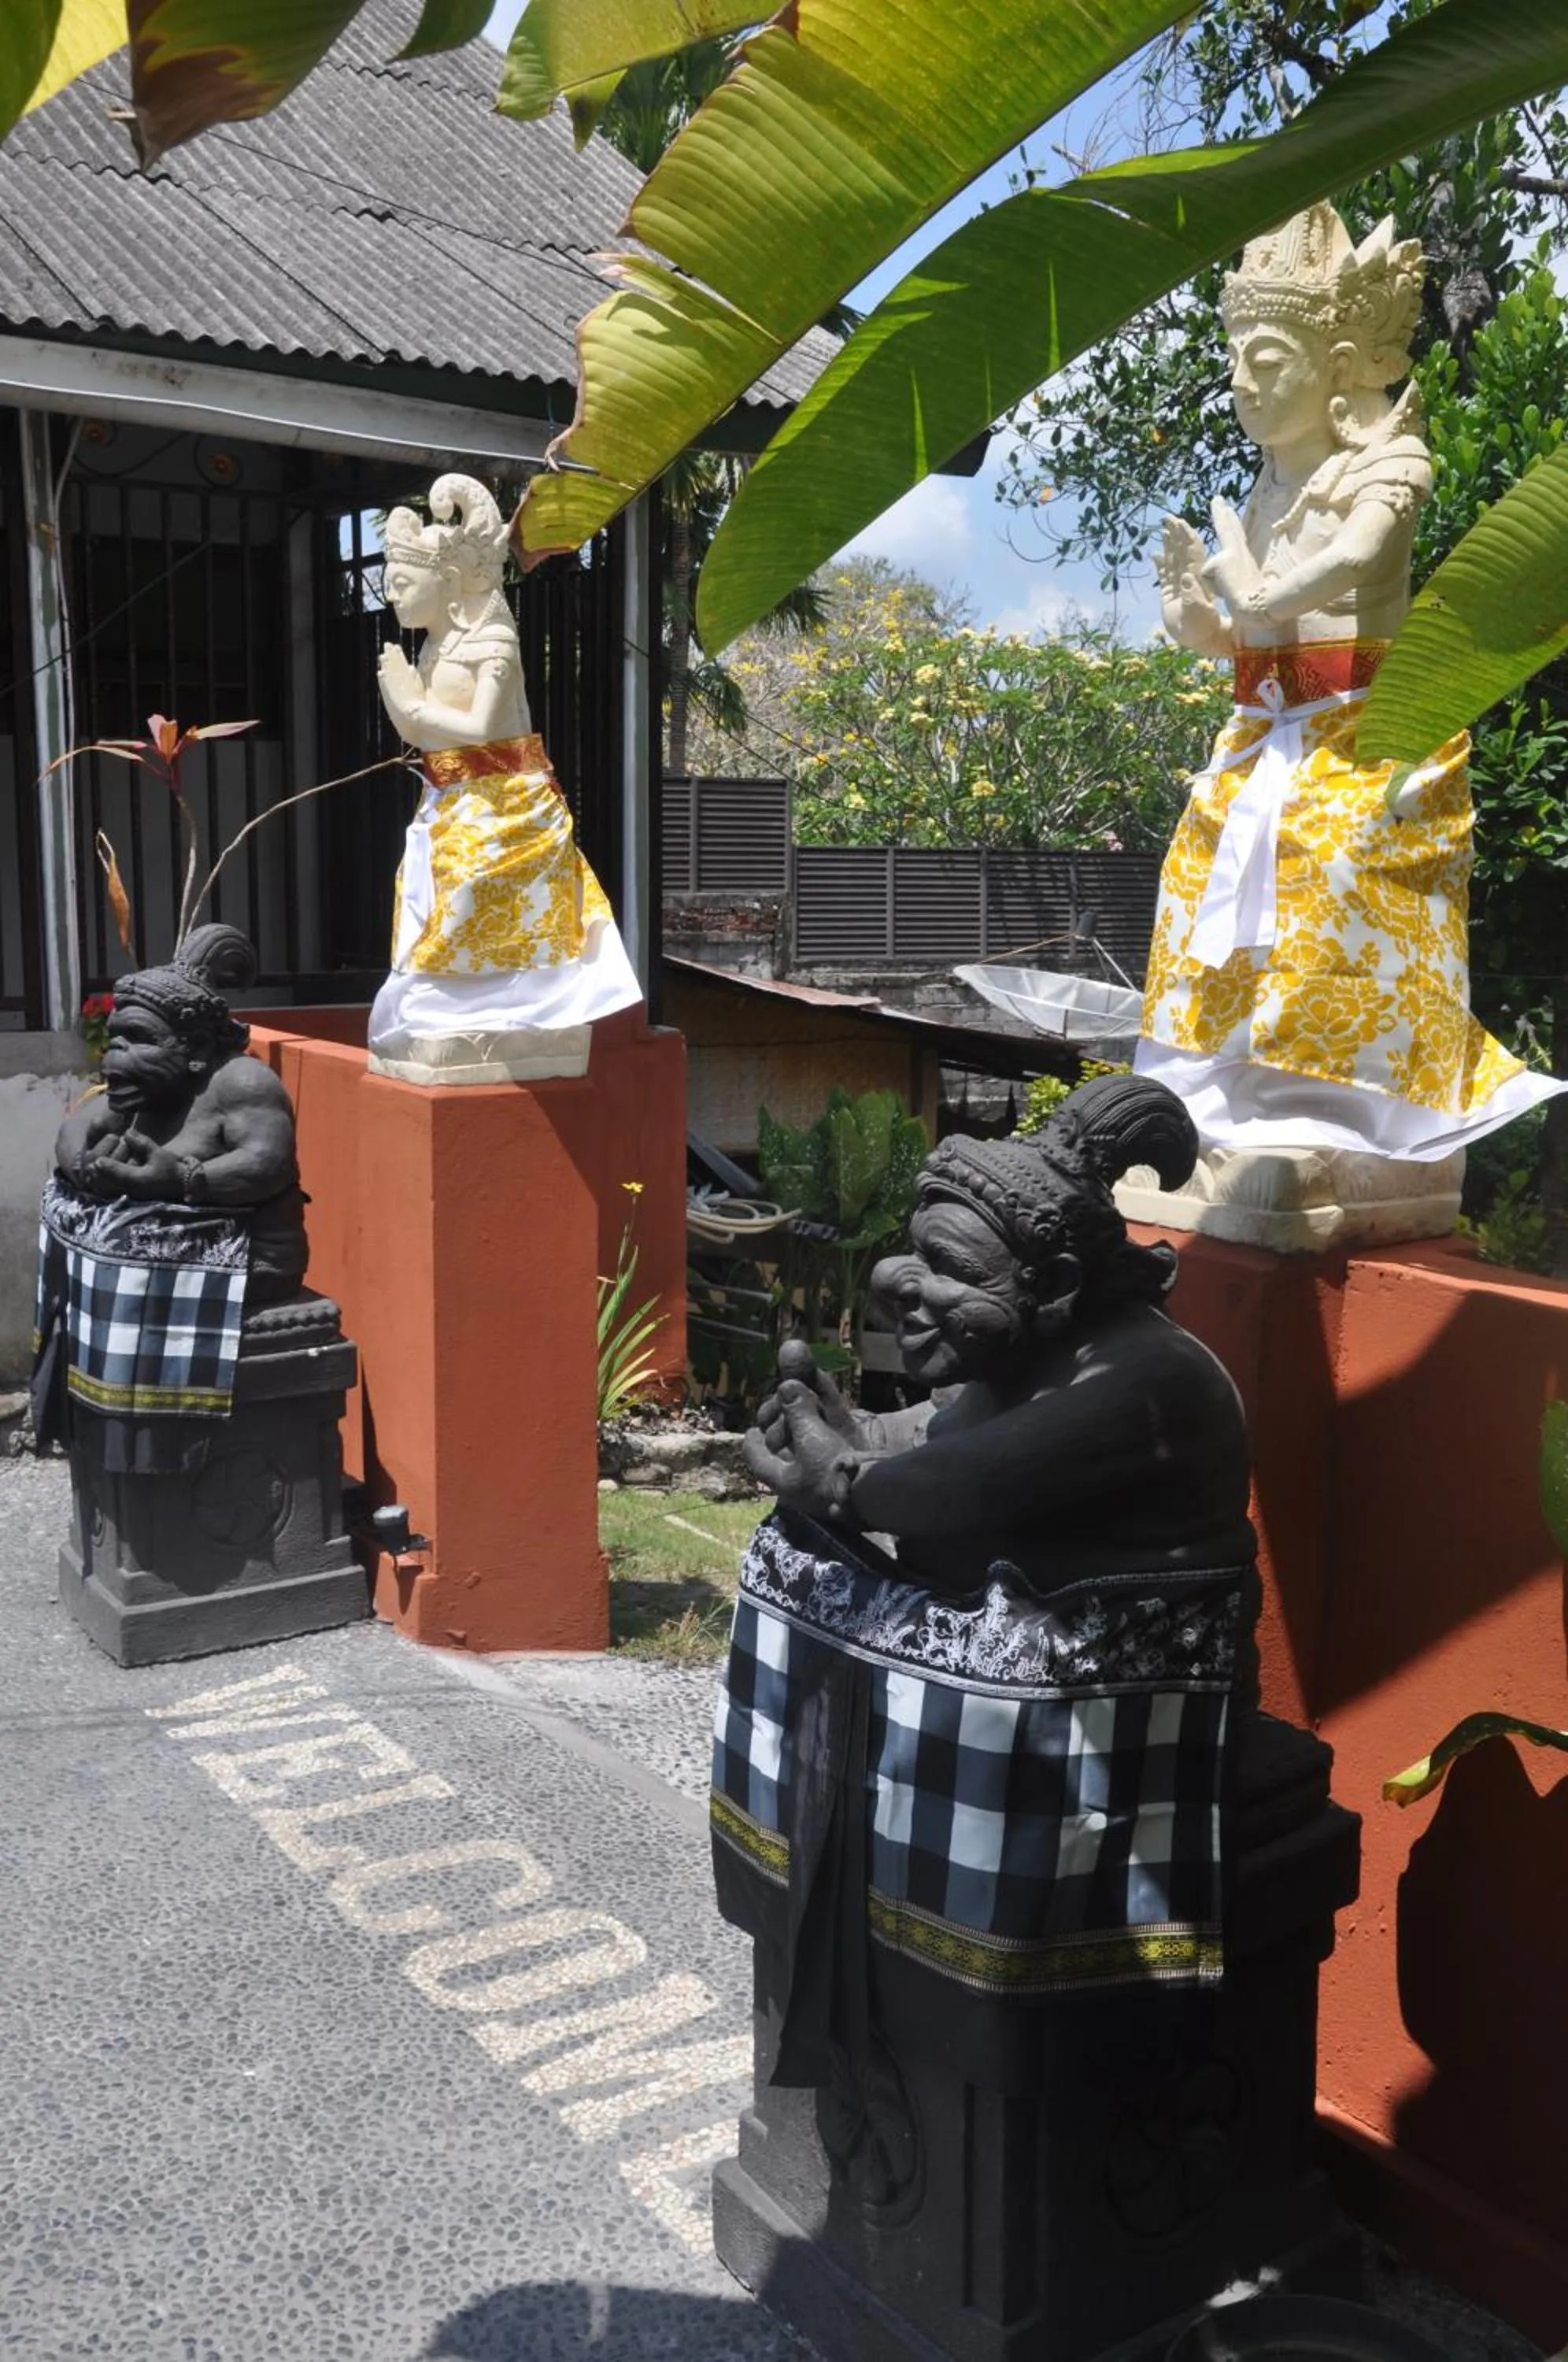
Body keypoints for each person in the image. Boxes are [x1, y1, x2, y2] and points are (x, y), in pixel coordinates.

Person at [716, 1077, 1259, 2070]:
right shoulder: (1031, 1355)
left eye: (947, 1267)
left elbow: (946, 1489)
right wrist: (836, 1428)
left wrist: (835, 1473)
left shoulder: (1143, 1385)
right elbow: (920, 1438)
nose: (901, 1282)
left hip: (1111, 1728)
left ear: (1051, 1285)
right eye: (914, 1250)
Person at [1140, 202, 1559, 1161]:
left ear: (1336, 366)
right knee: (1198, 879)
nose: (1243, 383)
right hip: (1261, 736)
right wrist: (1196, 614)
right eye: (1238, 358)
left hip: (1368, 736)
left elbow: (1342, 567)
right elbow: (1247, 634)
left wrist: (1246, 586)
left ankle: (1351, 1114)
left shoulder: (1391, 461)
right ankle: (1224, 1104)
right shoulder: (1266, 485)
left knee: (1329, 871)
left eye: (1269, 361)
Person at [367, 475, 641, 1072]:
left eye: (404, 583)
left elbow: (480, 728)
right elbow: (422, 737)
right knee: (427, 902)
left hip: (505, 803)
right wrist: (403, 696)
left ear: (447, 581)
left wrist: (408, 702)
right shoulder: (431, 649)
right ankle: (447, 1017)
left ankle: (517, 1018)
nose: (393, 597)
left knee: (470, 895)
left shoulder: (493, 640)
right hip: (449, 799)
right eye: (390, 584)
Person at [35, 926, 305, 1465]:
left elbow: (266, 1165)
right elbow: (75, 1128)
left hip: (254, 1257)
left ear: (197, 1048)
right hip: (165, 1244)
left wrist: (180, 1180)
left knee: (121, 1262)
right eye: (114, 1039)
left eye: (137, 1039)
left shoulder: (244, 1085)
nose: (116, 1055)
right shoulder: (143, 1090)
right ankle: (104, 1445)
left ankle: (169, 1461)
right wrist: (84, 1166)